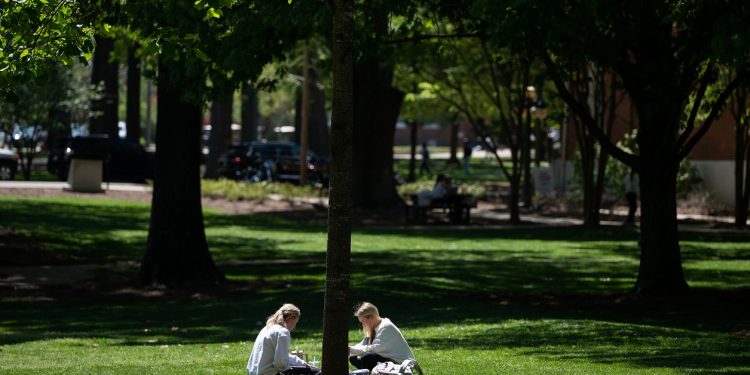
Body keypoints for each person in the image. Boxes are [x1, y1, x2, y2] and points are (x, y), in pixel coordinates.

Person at [247, 303, 320, 375]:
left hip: (254, 372)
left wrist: (303, 364)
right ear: (291, 317)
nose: (294, 327)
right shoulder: (283, 332)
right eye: (295, 323)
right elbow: (280, 363)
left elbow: (283, 356)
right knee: (318, 372)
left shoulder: (267, 328)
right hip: (268, 373)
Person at [349, 302, 415, 372]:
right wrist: (350, 350)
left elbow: (375, 349)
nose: (362, 324)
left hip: (401, 365)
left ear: (371, 318)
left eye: (363, 321)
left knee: (367, 357)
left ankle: (368, 372)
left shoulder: (386, 327)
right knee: (353, 357)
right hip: (388, 360)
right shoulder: (375, 327)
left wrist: (352, 350)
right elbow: (363, 344)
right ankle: (370, 372)